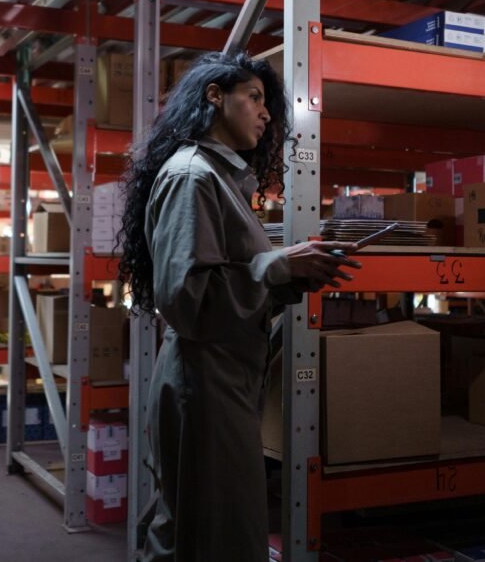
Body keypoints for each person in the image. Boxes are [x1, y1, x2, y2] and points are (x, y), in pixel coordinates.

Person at [118, 52, 361, 561]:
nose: (266, 112)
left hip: (221, 376)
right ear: (214, 96)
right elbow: (186, 298)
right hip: (203, 379)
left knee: (209, 525)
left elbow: (227, 284)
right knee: (208, 533)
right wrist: (278, 267)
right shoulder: (193, 178)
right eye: (253, 97)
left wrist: (294, 273)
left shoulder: (220, 180)